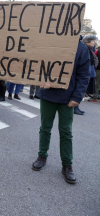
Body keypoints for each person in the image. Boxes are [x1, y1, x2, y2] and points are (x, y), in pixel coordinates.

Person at [31, 40, 91, 184]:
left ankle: (67, 165)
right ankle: (42, 156)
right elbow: (37, 63)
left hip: (68, 97)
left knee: (66, 132)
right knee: (45, 128)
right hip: (48, 94)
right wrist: (39, 79)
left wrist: (77, 96)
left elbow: (84, 74)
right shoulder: (49, 40)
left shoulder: (81, 47)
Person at [84, 35, 99, 101]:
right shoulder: (85, 49)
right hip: (84, 71)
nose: (95, 42)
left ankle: (77, 107)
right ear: (87, 42)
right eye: (93, 41)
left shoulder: (90, 49)